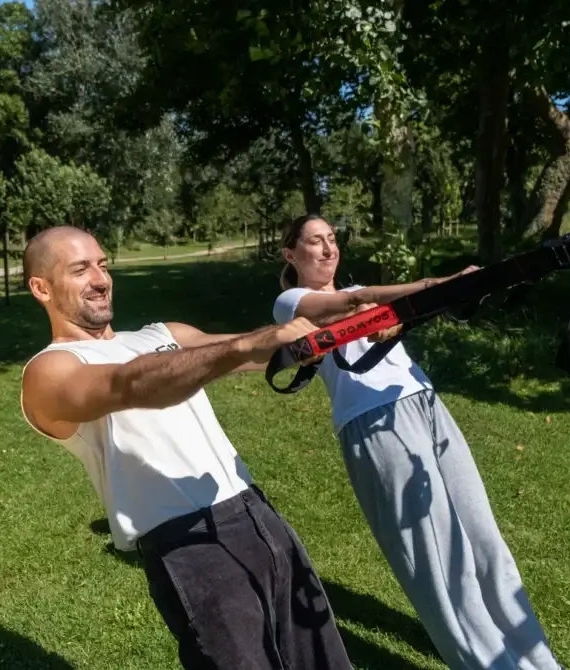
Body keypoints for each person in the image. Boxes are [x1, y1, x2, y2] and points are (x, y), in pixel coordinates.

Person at [18, 225, 353, 670]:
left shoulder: (163, 332)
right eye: (80, 270)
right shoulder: (50, 371)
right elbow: (133, 383)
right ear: (40, 288)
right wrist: (255, 342)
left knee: (324, 661)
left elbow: (256, 352)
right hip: (190, 549)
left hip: (258, 515)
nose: (100, 280)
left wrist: (359, 324)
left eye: (102, 265)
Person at [272, 214, 562, 670]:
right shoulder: (290, 303)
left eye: (332, 240)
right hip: (371, 421)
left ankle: (539, 661)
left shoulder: (361, 292)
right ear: (291, 254)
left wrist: (448, 293)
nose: (328, 250)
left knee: (487, 545)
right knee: (444, 565)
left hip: (424, 402)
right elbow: (357, 301)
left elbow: (372, 305)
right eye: (315, 242)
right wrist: (442, 282)